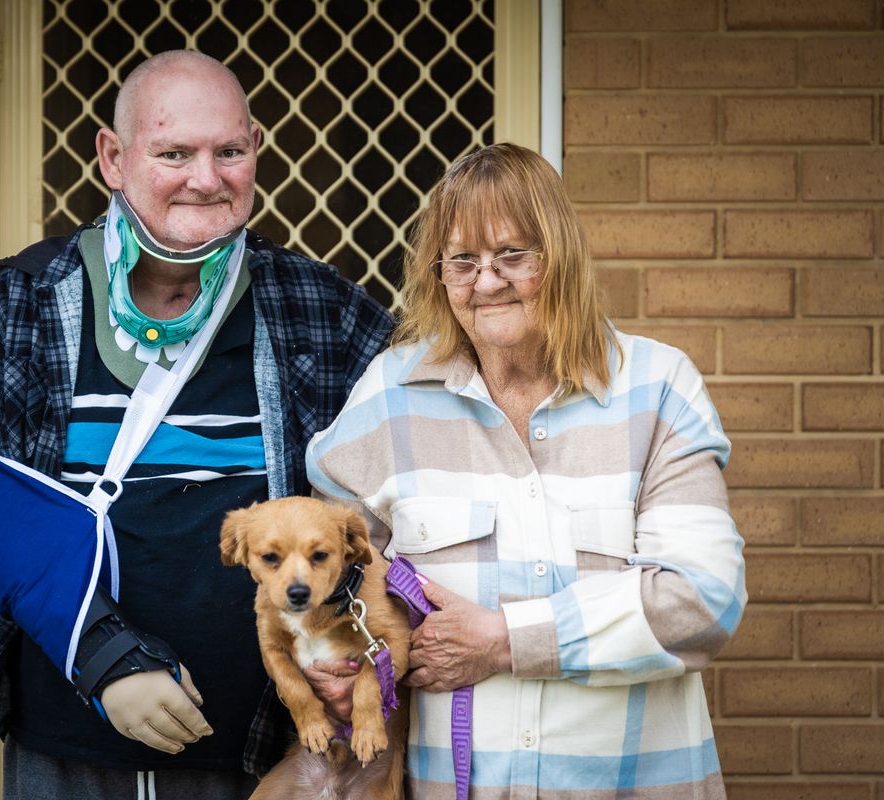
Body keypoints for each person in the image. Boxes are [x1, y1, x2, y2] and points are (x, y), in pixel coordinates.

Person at [0, 50, 394, 799]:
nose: (206, 178)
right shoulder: (26, 299)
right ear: (113, 159)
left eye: (229, 152)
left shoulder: (323, 308)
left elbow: (422, 459)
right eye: (174, 152)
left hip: (265, 751)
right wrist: (103, 656)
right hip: (67, 745)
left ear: (257, 150)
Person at [305, 143, 746, 799]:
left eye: (513, 255)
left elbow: (703, 600)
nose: (486, 282)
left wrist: (505, 639)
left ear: (559, 257)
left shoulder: (656, 388)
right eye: (463, 261)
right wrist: (345, 660)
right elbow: (327, 570)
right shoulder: (391, 396)